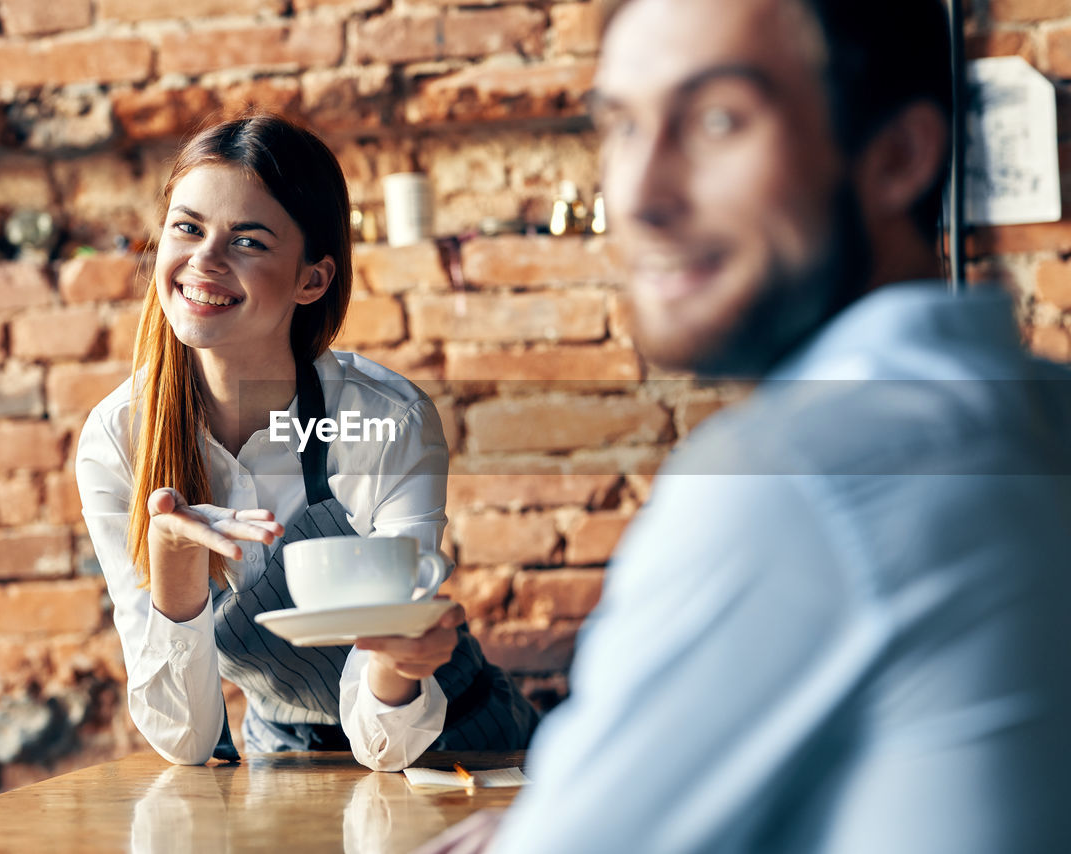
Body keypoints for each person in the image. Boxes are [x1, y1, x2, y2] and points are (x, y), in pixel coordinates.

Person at [420, 0, 1071, 850]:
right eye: (621, 125)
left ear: (898, 156)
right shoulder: (1040, 410)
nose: (642, 195)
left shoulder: (791, 479)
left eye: (719, 120)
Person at [77, 114, 538, 772]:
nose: (203, 261)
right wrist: (174, 570)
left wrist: (394, 662)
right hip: (287, 763)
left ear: (311, 280)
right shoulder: (119, 440)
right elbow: (186, 742)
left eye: (249, 241)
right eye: (188, 227)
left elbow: (389, 743)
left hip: (457, 743)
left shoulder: (386, 420)